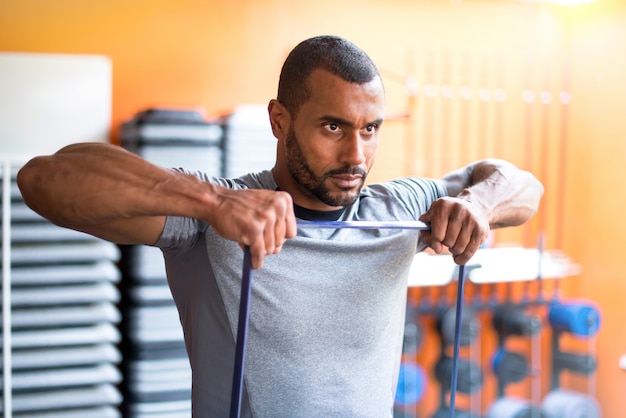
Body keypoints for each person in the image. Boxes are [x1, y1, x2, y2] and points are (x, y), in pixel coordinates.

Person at [17, 35, 543, 417]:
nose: (355, 154)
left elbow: (520, 185)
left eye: (370, 129)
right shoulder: (213, 217)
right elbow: (45, 178)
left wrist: (476, 203)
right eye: (333, 127)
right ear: (279, 120)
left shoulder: (395, 209)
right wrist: (213, 200)